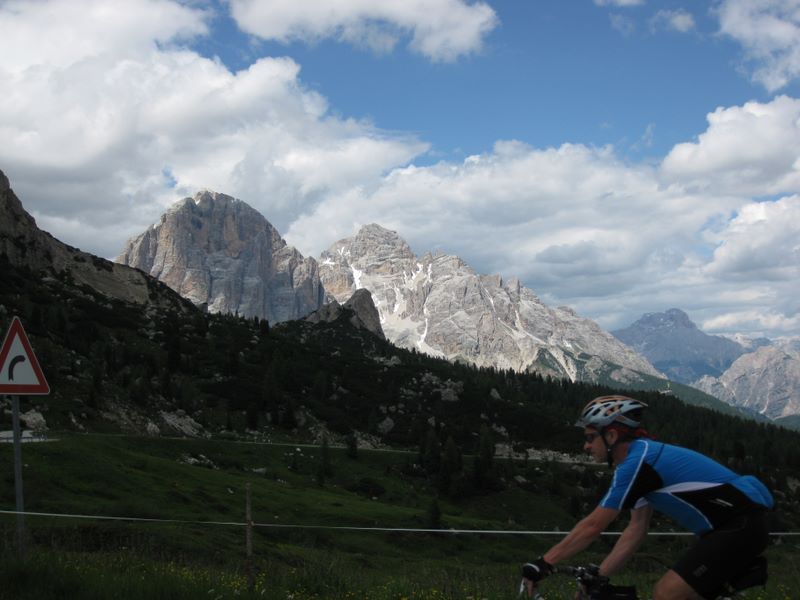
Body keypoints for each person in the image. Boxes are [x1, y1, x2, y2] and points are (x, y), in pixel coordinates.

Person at [521, 395, 774, 600]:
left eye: (590, 437)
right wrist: (599, 576)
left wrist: (544, 563)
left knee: (666, 594)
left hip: (739, 527)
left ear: (611, 436)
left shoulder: (638, 463)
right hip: (738, 527)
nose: (586, 446)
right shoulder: (641, 460)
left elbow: (593, 526)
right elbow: (636, 529)